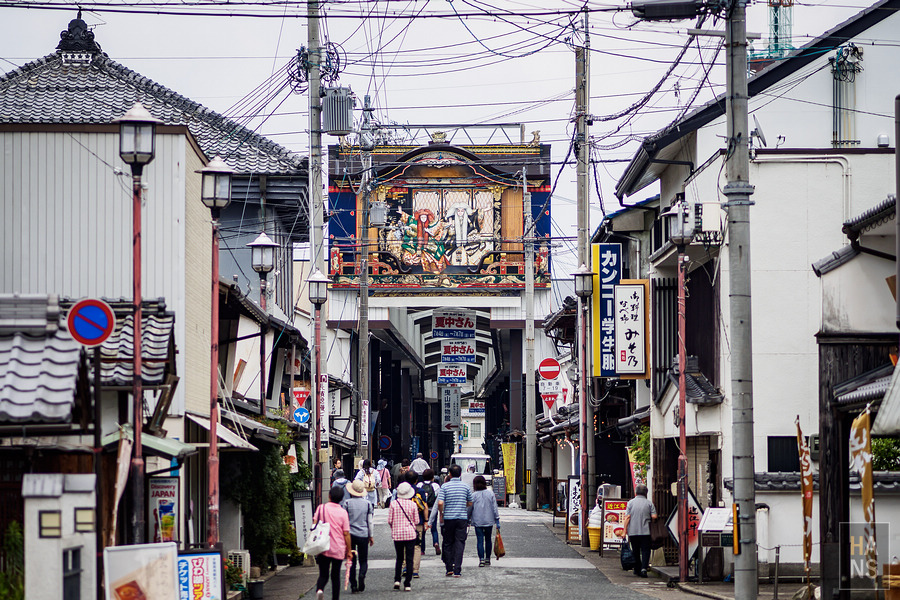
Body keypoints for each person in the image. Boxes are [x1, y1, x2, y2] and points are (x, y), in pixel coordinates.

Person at [312, 485, 352, 600]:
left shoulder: (321, 508)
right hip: (337, 547)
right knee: (335, 576)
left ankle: (320, 589)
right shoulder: (343, 512)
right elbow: (346, 533)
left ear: (329, 495)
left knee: (323, 574)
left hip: (322, 546)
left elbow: (314, 525)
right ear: (341, 498)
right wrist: (349, 550)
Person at [437, 463, 473, 577]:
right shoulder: (466, 486)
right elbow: (470, 502)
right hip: (462, 518)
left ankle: (449, 568)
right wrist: (463, 505)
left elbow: (440, 502)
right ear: (460, 474)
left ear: (450, 474)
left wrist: (442, 512)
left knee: (448, 543)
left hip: (448, 518)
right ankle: (457, 569)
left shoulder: (445, 487)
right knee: (460, 543)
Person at [341, 480, 374, 594]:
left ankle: (353, 585)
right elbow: (370, 522)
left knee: (351, 561)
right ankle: (362, 574)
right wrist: (371, 536)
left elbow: (344, 520)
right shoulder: (367, 504)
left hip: (350, 534)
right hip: (363, 534)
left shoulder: (347, 503)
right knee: (363, 559)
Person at [388, 482, 419, 592]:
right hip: (410, 534)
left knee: (399, 558)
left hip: (398, 534)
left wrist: (395, 527)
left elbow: (390, 520)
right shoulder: (413, 504)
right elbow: (416, 521)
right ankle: (407, 583)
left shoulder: (393, 504)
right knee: (409, 558)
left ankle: (397, 580)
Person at [623, 483, 657, 578]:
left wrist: (624, 530)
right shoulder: (649, 503)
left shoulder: (630, 503)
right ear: (646, 493)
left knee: (635, 550)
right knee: (646, 550)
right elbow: (654, 516)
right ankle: (644, 568)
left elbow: (627, 517)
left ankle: (637, 568)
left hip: (633, 531)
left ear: (636, 492)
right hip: (646, 531)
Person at [470, 475, 500, 567]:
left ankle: (481, 560)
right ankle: (488, 559)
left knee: (479, 540)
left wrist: (467, 519)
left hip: (477, 520)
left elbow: (469, 508)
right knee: (488, 540)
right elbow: (495, 508)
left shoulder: (473, 495)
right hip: (489, 520)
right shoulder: (490, 493)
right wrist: (497, 520)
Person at [421, 469, 442, 555]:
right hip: (433, 508)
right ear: (432, 477)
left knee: (422, 530)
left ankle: (422, 550)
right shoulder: (436, 486)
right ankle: (436, 543)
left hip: (422, 509)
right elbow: (438, 497)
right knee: (434, 529)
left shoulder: (420, 485)